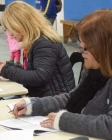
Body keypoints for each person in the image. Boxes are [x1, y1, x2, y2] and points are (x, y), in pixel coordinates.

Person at [13, 9, 112, 139]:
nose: (79, 51)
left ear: (103, 47)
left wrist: (64, 120)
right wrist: (34, 105)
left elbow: (109, 126)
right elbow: (72, 98)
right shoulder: (94, 70)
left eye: (84, 47)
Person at [0, 1, 75, 97]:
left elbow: (39, 77)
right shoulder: (35, 40)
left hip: (56, 101)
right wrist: (8, 66)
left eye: (10, 28)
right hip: (46, 96)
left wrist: (7, 71)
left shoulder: (44, 43)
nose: (10, 33)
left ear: (21, 25)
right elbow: (32, 70)